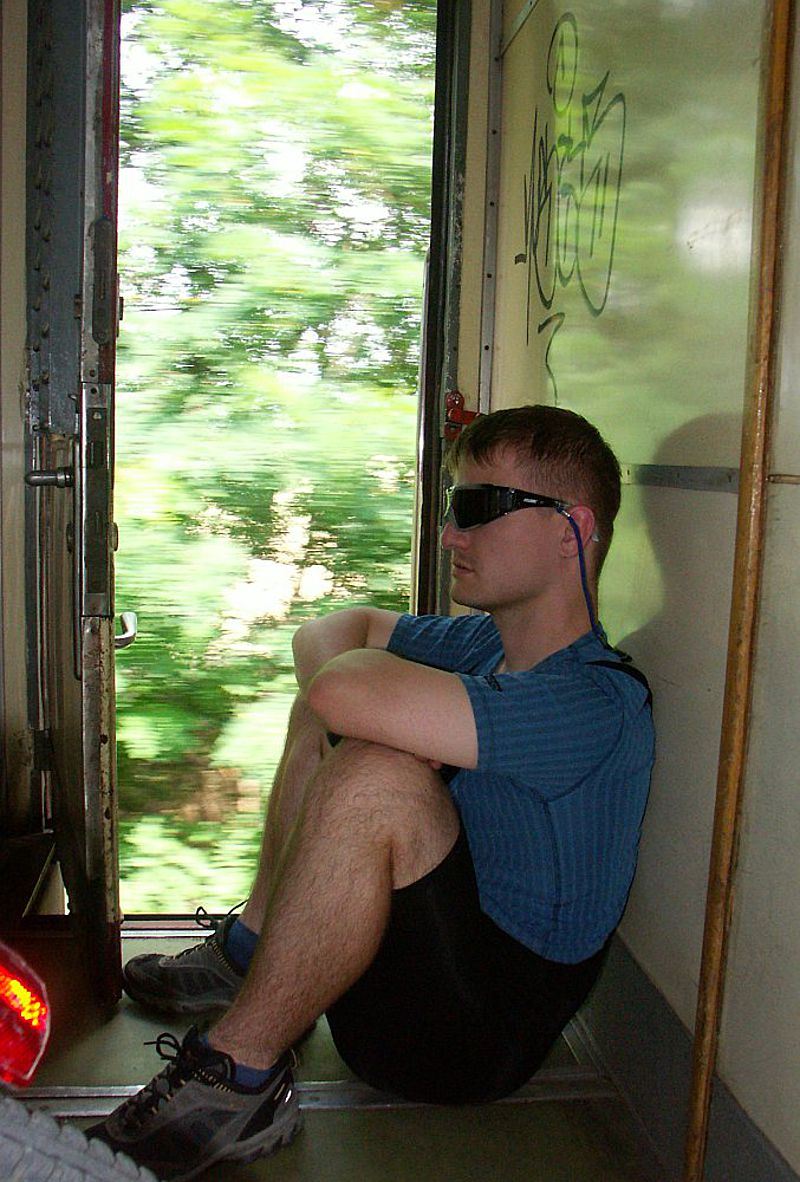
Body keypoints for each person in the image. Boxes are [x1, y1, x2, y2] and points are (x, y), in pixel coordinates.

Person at [89, 404, 655, 1181]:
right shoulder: (484, 645)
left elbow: (345, 683)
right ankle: (251, 952)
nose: (451, 535)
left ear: (571, 531)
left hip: (470, 1045)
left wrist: (372, 712)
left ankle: (238, 1079)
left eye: (478, 507)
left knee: (373, 773)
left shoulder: (593, 701)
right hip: (392, 992)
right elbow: (333, 630)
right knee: (332, 721)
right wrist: (365, 703)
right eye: (452, 508)